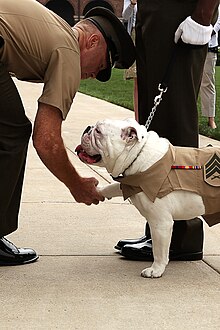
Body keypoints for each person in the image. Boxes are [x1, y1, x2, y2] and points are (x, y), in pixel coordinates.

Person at [0, 0, 135, 266]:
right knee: (12, 132)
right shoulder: (68, 52)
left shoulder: (55, 29)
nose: (97, 75)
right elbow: (46, 140)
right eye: (104, 64)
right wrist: (76, 184)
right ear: (93, 41)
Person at [115, 0, 219, 261]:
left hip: (179, 9)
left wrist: (203, 14)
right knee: (156, 125)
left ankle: (182, 236)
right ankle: (160, 229)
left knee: (174, 118)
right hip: (155, 11)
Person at [200, 5, 220, 129]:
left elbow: (219, 21)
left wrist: (208, 32)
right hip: (191, 44)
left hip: (210, 45)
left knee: (208, 82)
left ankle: (210, 119)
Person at [122, 0, 138, 120]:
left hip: (152, 36)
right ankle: (138, 118)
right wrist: (132, 4)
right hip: (136, 36)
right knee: (137, 80)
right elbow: (125, 16)